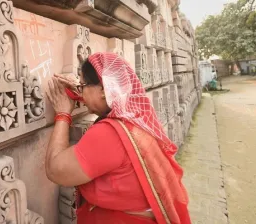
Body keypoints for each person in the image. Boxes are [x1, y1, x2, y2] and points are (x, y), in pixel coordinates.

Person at [45, 52, 191, 224]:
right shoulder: (135, 119)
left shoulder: (110, 134)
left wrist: (63, 114)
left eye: (83, 84)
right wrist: (83, 91)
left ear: (103, 89)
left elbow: (55, 170)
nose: (81, 92)